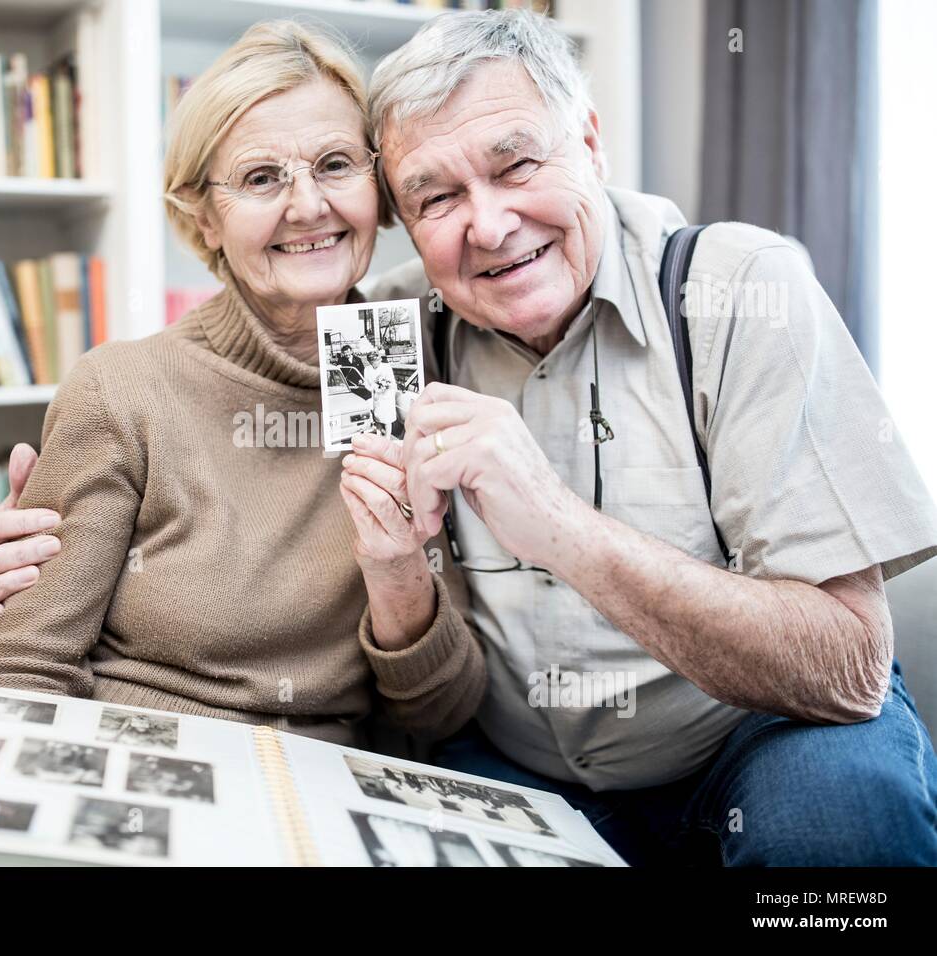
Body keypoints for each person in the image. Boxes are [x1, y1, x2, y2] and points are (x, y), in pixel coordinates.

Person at [351, 8, 937, 864]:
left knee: (836, 819)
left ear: (590, 142)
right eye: (435, 198)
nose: (488, 225)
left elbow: (847, 668)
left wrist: (561, 529)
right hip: (519, 766)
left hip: (751, 740)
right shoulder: (386, 330)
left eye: (515, 165)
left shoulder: (743, 286)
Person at [0, 21, 485, 747]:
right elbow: (20, 667)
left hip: (321, 797)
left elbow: (438, 718)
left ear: (381, 186)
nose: (307, 207)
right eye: (262, 178)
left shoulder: (404, 372)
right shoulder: (123, 389)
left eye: (335, 164)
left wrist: (398, 575)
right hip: (142, 765)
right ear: (203, 216)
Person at [363, 349, 397, 437]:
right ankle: (378, 435)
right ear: (370, 362)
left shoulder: (386, 367)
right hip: (376, 396)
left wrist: (385, 386)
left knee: (387, 418)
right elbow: (366, 383)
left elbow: (392, 381)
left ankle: (387, 438)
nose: (378, 361)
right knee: (377, 417)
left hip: (387, 396)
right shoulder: (367, 369)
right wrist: (373, 389)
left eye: (379, 359)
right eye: (375, 361)